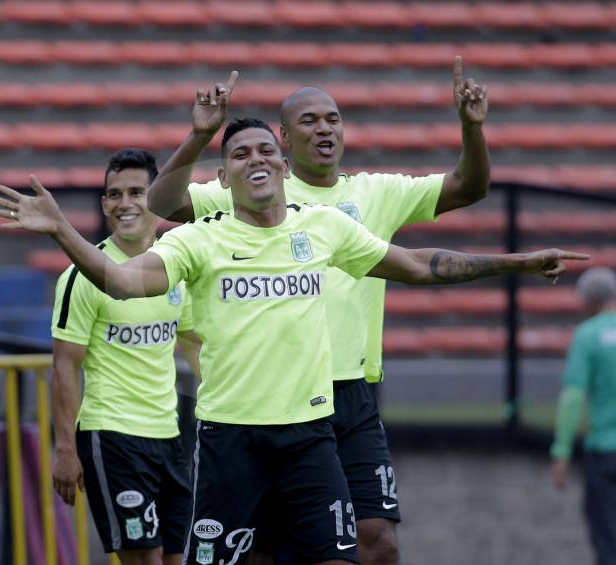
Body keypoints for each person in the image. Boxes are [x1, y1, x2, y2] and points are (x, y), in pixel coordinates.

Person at [0, 115, 585, 565]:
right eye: (240, 153)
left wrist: (520, 262)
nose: (255, 159)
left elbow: (419, 264)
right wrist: (63, 230)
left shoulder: (324, 228)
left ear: (281, 166)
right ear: (223, 178)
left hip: (309, 437)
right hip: (230, 445)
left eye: (265, 151)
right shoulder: (198, 242)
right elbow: (120, 281)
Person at [146, 59, 489, 565]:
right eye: (309, 120)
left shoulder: (377, 192)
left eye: (332, 118)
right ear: (284, 139)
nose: (324, 127)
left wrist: (471, 127)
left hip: (351, 391)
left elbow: (470, 187)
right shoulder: (249, 184)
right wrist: (200, 137)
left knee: (378, 543)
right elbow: (166, 204)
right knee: (266, 547)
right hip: (269, 398)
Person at [50, 149, 200, 565]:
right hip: (111, 434)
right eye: (114, 194)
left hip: (169, 438)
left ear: (157, 197)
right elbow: (65, 366)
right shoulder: (84, 275)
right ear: (104, 204)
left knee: (176, 558)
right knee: (144, 558)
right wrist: (64, 449)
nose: (125, 203)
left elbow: (192, 341)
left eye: (137, 192)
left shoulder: (174, 269)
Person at [551, 267, 616, 565]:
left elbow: (573, 397)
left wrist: (561, 451)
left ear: (587, 301)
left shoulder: (587, 336)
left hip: (604, 450)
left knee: (606, 537)